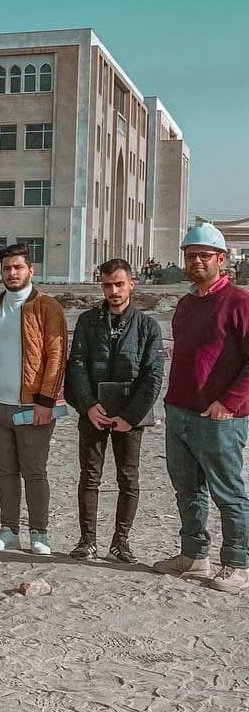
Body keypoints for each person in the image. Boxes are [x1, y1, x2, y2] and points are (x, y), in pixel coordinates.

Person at [153, 224, 249, 593]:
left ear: (221, 259)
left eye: (204, 256)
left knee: (228, 493)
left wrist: (229, 402)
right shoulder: (186, 304)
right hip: (180, 412)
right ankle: (193, 555)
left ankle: (236, 563)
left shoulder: (239, 303)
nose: (196, 261)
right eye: (190, 255)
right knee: (187, 489)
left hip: (220, 418)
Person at [65, 258, 163, 564]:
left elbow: (153, 376)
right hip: (93, 411)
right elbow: (77, 365)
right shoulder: (88, 321)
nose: (114, 291)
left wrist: (130, 417)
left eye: (119, 284)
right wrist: (87, 406)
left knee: (128, 478)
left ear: (132, 284)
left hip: (130, 415)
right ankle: (87, 541)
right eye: (107, 285)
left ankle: (121, 542)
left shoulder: (148, 326)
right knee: (90, 476)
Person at [0, 243, 67, 556]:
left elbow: (57, 356)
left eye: (18, 267)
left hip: (32, 406)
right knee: (5, 471)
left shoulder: (47, 307)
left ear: (30, 270)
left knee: (35, 471)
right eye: (7, 268)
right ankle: (8, 530)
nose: (12, 273)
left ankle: (39, 533)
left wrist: (46, 401)